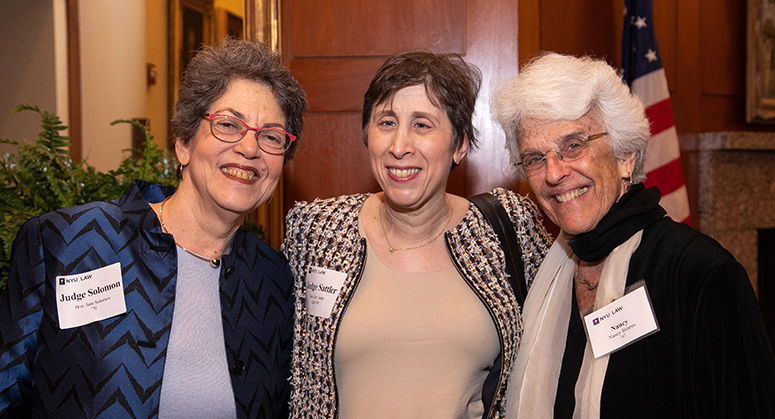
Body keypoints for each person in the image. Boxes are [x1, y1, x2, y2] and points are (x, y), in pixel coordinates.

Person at [0, 38, 306, 418]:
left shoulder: (272, 281)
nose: (249, 148)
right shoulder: (67, 243)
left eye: (271, 137)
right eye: (228, 125)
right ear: (183, 143)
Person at [492, 52, 775, 419]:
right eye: (534, 158)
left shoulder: (702, 275)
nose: (554, 173)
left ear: (626, 155)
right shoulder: (543, 277)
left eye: (573, 145)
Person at [282, 51, 552, 419]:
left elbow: (556, 341)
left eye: (422, 125)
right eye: (386, 122)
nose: (399, 146)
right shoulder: (316, 231)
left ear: (460, 145)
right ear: (367, 136)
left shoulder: (507, 228)